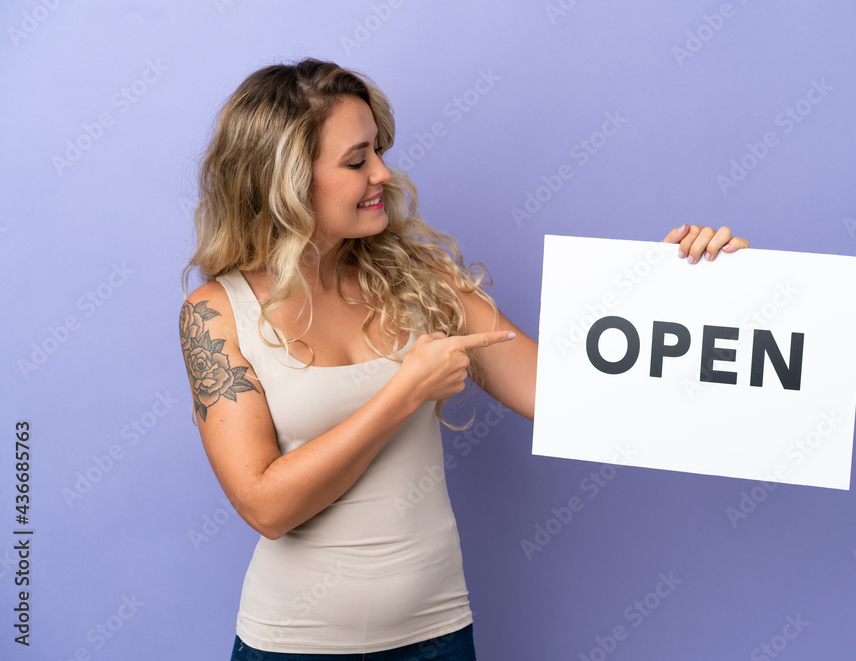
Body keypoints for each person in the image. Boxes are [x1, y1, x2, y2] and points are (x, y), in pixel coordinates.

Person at [180, 58, 748, 661]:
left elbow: (570, 401)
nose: (382, 173)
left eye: (379, 151)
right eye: (356, 160)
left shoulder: (422, 281)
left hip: (437, 637)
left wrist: (681, 295)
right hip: (290, 646)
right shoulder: (216, 314)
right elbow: (266, 506)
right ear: (285, 181)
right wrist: (405, 392)